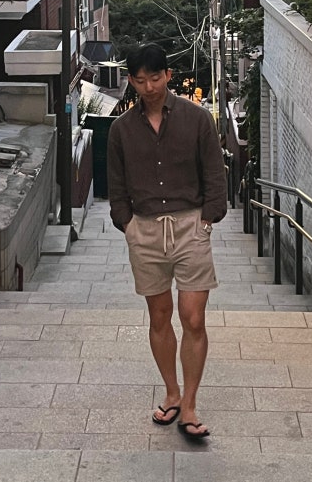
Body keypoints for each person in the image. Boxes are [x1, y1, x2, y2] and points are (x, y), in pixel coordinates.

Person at [107, 43, 227, 441]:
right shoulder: (121, 129)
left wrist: (208, 218)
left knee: (193, 317)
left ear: (168, 76)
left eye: (155, 78)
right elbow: (116, 185)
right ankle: (172, 393)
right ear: (130, 81)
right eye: (141, 80)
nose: (149, 87)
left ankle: (189, 405)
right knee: (159, 316)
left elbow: (215, 173)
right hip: (144, 229)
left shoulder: (197, 119)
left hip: (191, 226)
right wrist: (127, 224)